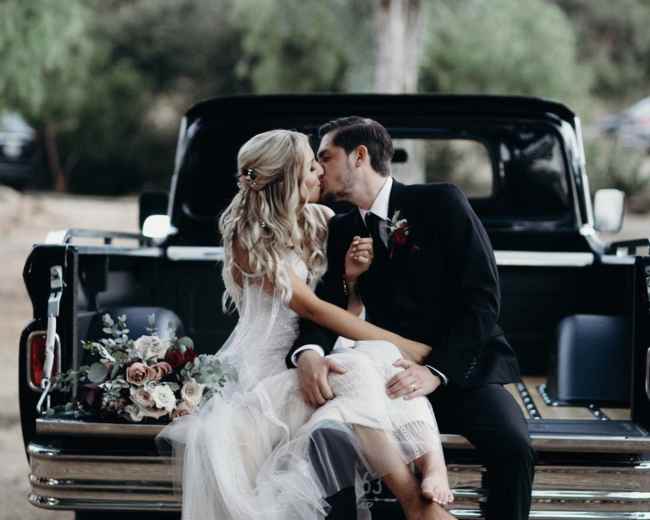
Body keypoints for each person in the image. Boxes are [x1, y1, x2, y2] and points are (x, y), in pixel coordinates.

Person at [158, 129, 455, 520]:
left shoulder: (323, 220)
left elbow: (342, 313)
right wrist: (406, 344)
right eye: (311, 167)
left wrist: (350, 279)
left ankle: (432, 472)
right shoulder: (247, 239)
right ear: (287, 176)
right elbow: (313, 309)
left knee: (380, 359)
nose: (320, 174)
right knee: (365, 364)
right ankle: (415, 504)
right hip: (269, 368)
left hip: (323, 349)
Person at [287, 117, 536, 520]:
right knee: (328, 439)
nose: (319, 168)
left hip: (460, 373)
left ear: (360, 156)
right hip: (383, 377)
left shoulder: (441, 202)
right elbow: (326, 305)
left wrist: (437, 371)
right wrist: (310, 352)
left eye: (326, 157)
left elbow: (483, 300)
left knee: (514, 446)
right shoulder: (341, 228)